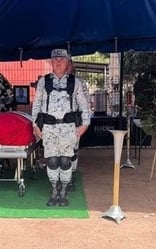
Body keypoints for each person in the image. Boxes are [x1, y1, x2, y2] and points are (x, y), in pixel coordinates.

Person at [32, 48, 91, 206]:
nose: (58, 62)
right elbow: (36, 104)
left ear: (67, 63)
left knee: (65, 161)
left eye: (62, 60)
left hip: (68, 128)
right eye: (55, 60)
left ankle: (64, 190)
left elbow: (84, 106)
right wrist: (35, 125)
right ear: (51, 62)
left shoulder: (75, 82)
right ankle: (54, 190)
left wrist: (85, 124)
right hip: (49, 128)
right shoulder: (43, 82)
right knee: (52, 161)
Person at [66, 58, 91, 192]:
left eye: (69, 63)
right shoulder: (52, 82)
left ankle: (70, 175)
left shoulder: (79, 83)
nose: (66, 66)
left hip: (75, 122)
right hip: (57, 124)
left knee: (73, 150)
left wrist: (85, 123)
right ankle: (60, 178)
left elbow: (86, 104)